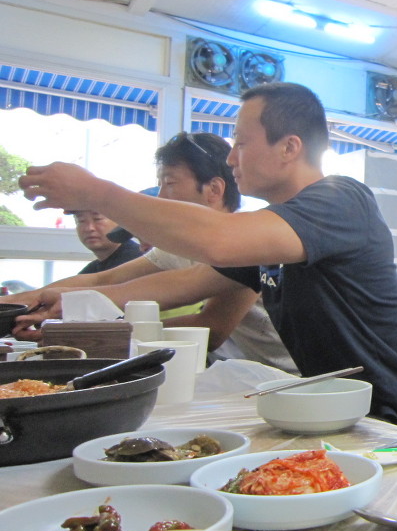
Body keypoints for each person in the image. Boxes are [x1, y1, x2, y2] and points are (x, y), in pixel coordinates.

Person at [19, 83, 397, 440]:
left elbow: (219, 241)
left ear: (289, 147)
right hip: (338, 416)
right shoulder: (273, 235)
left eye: (241, 143)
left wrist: (97, 192)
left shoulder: (342, 199)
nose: (231, 158)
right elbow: (176, 286)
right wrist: (64, 305)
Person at [10, 133, 297, 374]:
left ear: (213, 189)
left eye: (169, 183)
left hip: (289, 377)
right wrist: (19, 301)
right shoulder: (182, 247)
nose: (160, 196)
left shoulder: (244, 243)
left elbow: (211, 329)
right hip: (251, 375)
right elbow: (105, 281)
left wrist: (94, 334)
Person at [72, 211, 141, 273]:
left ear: (119, 222)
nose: (89, 228)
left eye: (97, 219)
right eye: (81, 221)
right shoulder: (90, 271)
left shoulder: (137, 261)